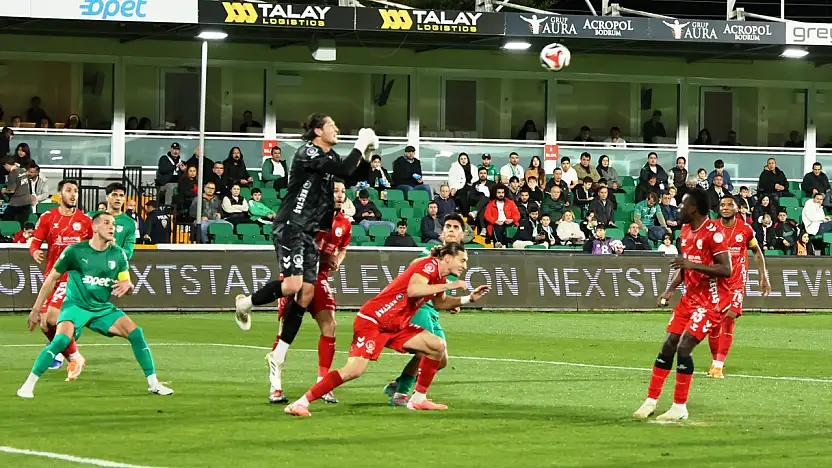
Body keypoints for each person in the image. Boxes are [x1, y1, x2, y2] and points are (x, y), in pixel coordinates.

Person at [284, 243, 489, 416]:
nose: (465, 265)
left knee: (437, 346)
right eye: (462, 260)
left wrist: (468, 298)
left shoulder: (440, 277)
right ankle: (302, 402)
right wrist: (449, 287)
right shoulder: (428, 265)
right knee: (353, 371)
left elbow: (439, 303)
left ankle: (418, 398)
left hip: (396, 325)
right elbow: (414, 289)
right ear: (447, 258)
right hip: (373, 321)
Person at [234, 114, 375, 361]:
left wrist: (365, 156)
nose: (337, 129)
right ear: (318, 131)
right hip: (291, 225)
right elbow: (343, 168)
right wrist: (360, 144)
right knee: (292, 286)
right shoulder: (307, 153)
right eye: (332, 125)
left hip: (309, 231)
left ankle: (278, 355)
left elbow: (349, 175)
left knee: (306, 294)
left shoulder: (329, 157)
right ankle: (245, 304)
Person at [17, 212, 173, 398]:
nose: (111, 227)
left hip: (101, 308)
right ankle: (27, 386)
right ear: (95, 227)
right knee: (60, 341)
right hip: (76, 305)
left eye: (113, 224)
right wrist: (36, 310)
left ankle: (153, 384)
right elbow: (51, 279)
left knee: (136, 333)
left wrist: (129, 285)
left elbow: (126, 285)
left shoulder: (119, 255)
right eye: (106, 223)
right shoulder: (74, 251)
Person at [633, 188, 732, 421]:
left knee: (684, 346)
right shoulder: (686, 230)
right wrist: (668, 291)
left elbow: (726, 269)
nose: (678, 209)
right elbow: (685, 266)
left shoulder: (714, 233)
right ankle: (650, 400)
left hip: (711, 301)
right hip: (689, 299)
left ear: (693, 208)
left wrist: (692, 264)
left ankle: (679, 406)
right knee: (668, 345)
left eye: (682, 205)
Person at [261, 181, 351, 404]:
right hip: (298, 273)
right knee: (285, 329)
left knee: (330, 325)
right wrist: (322, 258)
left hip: (318, 277)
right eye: (335, 191)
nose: (339, 195)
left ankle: (323, 384)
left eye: (342, 192)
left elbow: (342, 249)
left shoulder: (345, 224)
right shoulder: (312, 216)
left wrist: (336, 260)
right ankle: (275, 386)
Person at [382, 214, 466, 404]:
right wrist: (431, 256)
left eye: (455, 227)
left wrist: (452, 304)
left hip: (432, 311)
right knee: (426, 350)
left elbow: (439, 294)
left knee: (442, 360)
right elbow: (413, 268)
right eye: (448, 226)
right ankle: (401, 393)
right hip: (418, 308)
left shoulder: (458, 258)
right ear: (442, 232)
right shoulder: (433, 251)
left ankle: (399, 383)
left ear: (462, 234)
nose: (451, 230)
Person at [29, 179, 93, 378]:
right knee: (44, 322)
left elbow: (94, 247)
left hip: (73, 277)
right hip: (53, 275)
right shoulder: (48, 217)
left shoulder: (85, 221)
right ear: (59, 195)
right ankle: (71, 354)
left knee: (54, 317)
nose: (73, 194)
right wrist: (35, 252)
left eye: (76, 191)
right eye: (69, 190)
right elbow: (35, 241)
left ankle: (72, 355)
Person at [707, 196, 770, 379]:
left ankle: (718, 365)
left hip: (736, 283)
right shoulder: (711, 228)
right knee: (713, 325)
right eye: (722, 205)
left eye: (729, 205)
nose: (725, 208)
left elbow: (757, 252)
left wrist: (763, 276)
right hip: (716, 282)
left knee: (729, 318)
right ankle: (715, 362)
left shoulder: (745, 230)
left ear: (738, 208)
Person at [88, 183, 137, 260]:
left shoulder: (130, 223)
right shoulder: (91, 217)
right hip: (91, 265)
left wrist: (114, 246)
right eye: (114, 195)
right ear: (107, 197)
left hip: (114, 267)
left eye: (121, 195)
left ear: (124, 199)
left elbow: (128, 255)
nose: (118, 198)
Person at [484, 184, 520, 248]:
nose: (501, 194)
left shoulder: (511, 203)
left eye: (502, 192)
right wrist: (495, 221)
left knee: (508, 229)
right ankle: (499, 244)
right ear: (495, 193)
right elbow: (487, 215)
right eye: (499, 193)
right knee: (497, 227)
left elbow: (517, 215)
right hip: (496, 223)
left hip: (509, 222)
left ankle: (506, 245)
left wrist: (512, 220)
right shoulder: (490, 204)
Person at [2, 155, 33, 226]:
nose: (5, 168)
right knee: (22, 224)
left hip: (17, 203)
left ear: (6, 164)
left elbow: (11, 190)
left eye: (4, 166)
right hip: (27, 201)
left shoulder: (12, 174)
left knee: (5, 220)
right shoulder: (22, 170)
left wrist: (4, 190)